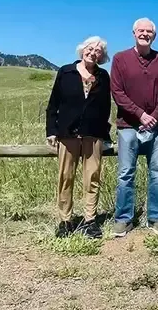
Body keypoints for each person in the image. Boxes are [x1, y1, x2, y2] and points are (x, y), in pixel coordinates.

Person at [110, 18, 158, 237]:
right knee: (126, 173)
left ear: (154, 35)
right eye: (141, 30)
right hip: (127, 126)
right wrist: (140, 114)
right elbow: (117, 93)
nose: (145, 34)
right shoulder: (120, 59)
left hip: (156, 128)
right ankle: (123, 219)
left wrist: (153, 116)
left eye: (149, 31)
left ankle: (156, 217)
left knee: (157, 173)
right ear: (133, 33)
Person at [46, 36, 111, 239]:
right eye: (90, 48)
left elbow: (105, 107)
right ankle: (65, 220)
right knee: (66, 177)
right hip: (68, 133)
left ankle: (90, 220)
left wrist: (105, 133)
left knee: (92, 178)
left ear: (102, 56)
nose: (93, 52)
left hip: (94, 134)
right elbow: (54, 103)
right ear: (82, 50)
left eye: (98, 50)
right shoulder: (65, 72)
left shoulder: (103, 76)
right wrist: (51, 130)